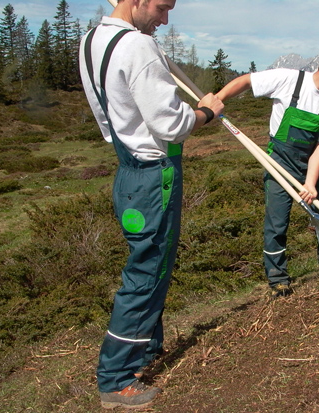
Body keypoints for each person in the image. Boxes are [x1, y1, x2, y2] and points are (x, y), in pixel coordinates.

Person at [78, 0, 223, 409]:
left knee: (150, 265)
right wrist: (205, 112)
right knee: (147, 271)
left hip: (128, 170)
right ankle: (116, 379)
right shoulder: (137, 46)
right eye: (161, 8)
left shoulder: (92, 40)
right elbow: (172, 126)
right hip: (153, 174)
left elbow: (110, 118)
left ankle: (145, 348)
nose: (165, 18)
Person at [216, 46, 319, 298]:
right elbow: (245, 81)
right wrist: (217, 100)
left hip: (311, 163)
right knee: (277, 223)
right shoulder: (290, 80)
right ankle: (278, 279)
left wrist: (311, 183)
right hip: (279, 162)